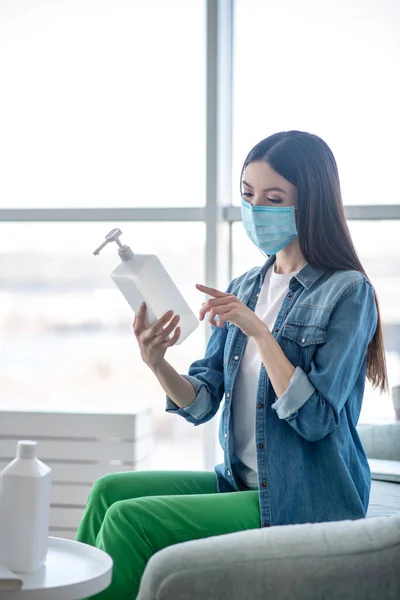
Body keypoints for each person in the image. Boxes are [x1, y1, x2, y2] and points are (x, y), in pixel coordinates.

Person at [76, 130, 388, 600]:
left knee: (129, 521)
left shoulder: (347, 292)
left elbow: (317, 420)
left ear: (311, 203)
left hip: (304, 498)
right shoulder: (244, 287)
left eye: (274, 198)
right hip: (241, 482)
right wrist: (158, 364)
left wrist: (261, 333)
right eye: (248, 195)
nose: (256, 209)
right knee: (108, 492)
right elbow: (202, 402)